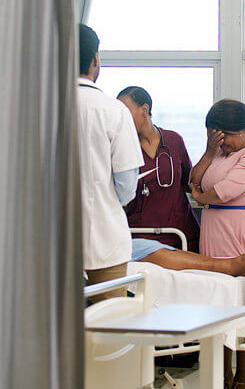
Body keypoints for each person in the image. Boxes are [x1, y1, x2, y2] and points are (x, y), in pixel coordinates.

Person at [188, 98, 245, 389]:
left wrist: (200, 197)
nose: (222, 148)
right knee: (219, 304)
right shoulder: (221, 154)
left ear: (235, 132)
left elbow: (223, 192)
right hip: (214, 230)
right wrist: (211, 151)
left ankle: (243, 379)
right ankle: (221, 375)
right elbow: (194, 179)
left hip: (241, 230)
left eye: (222, 140)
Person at [76, 24, 144, 302]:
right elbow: (127, 187)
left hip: (46, 240)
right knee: (111, 326)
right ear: (94, 60)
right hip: (104, 236)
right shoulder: (113, 110)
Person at [117, 86, 201, 252]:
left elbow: (188, 183)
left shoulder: (173, 140)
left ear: (145, 109)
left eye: (125, 112)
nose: (121, 119)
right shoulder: (121, 147)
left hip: (182, 235)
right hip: (141, 238)